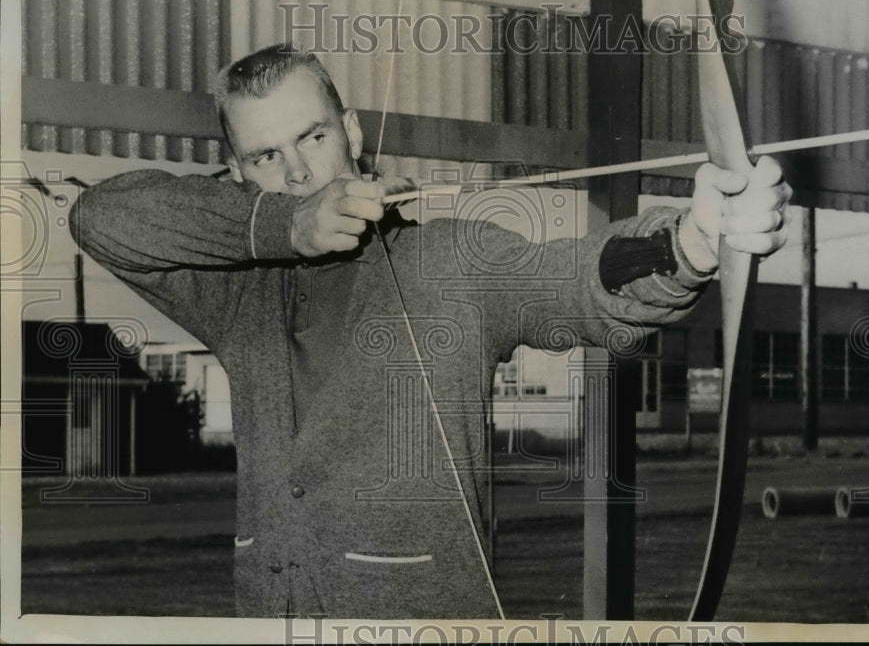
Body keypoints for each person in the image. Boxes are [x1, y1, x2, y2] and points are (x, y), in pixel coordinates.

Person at [70, 43, 792, 620]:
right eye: (266, 158)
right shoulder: (238, 291)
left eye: (313, 137)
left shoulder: (447, 261)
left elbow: (573, 282)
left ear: (350, 133)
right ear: (237, 174)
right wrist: (282, 222)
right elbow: (101, 216)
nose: (297, 171)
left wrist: (692, 243)